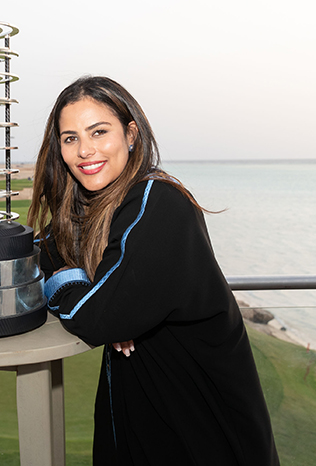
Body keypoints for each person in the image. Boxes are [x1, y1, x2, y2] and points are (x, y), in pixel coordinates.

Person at [28, 76, 279, 465]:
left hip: (203, 428)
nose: (85, 150)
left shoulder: (158, 203)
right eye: (70, 138)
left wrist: (84, 295)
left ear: (131, 134)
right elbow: (43, 251)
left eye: (99, 132)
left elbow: (96, 318)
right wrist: (96, 295)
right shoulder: (95, 208)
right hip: (142, 413)